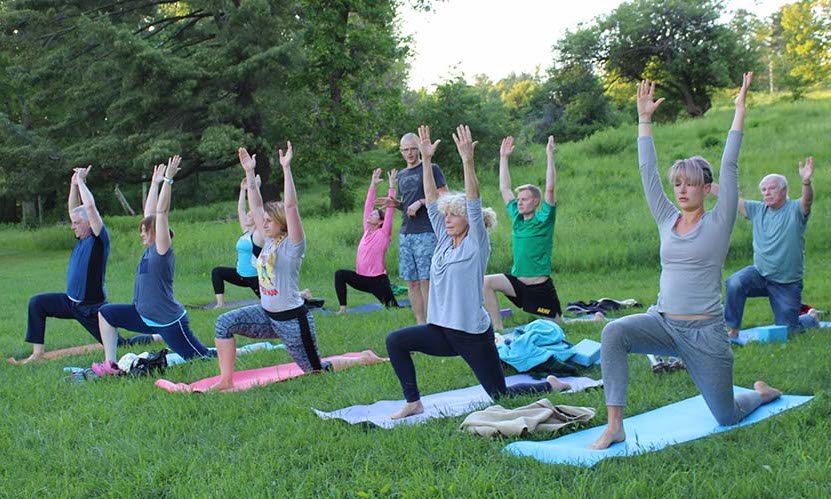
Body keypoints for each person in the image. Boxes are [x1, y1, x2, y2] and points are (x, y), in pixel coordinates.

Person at [590, 75, 782, 450]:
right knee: (614, 332)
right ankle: (615, 425)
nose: (681, 189)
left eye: (689, 183)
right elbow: (648, 174)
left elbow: (729, 165)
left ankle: (760, 394)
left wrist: (739, 113)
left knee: (726, 415)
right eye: (677, 182)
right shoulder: (666, 218)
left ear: (705, 189)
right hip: (663, 323)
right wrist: (644, 120)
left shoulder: (718, 220)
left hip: (706, 335)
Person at [385, 125, 571, 420]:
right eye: (446, 215)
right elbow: (432, 200)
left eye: (453, 215)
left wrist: (467, 160)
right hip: (442, 330)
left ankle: (548, 383)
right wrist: (425, 159)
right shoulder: (445, 240)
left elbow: (473, 200)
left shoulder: (475, 243)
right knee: (396, 340)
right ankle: (413, 401)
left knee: (501, 396)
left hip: (472, 335)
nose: (447, 219)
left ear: (469, 221)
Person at [210, 144, 385, 391]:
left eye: (270, 221)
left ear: (281, 223)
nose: (263, 222)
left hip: (293, 321)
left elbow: (291, 207)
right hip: (267, 316)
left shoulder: (293, 247)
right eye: (265, 221)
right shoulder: (267, 240)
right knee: (224, 323)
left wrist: (286, 168)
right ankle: (226, 381)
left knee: (316, 372)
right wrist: (250, 173)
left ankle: (364, 358)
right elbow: (257, 206)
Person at [10, 166, 154, 365]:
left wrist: (83, 184)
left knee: (120, 345)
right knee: (37, 303)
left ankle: (155, 336)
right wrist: (74, 184)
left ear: (88, 223)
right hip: (71, 302)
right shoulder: (82, 236)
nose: (72, 226)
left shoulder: (98, 239)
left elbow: (90, 209)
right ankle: (37, 354)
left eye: (76, 223)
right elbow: (73, 210)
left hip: (91, 308)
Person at [92, 156, 215, 375]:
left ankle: (252, 349)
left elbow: (160, 214)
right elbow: (149, 214)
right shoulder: (150, 250)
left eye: (144, 231)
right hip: (143, 315)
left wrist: (168, 181)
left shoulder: (162, 250)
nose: (141, 234)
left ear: (155, 232)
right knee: (106, 313)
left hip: (169, 321)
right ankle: (110, 365)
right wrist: (154, 183)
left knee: (200, 357)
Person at [721, 158, 818, 337]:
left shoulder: (795, 210)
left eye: (771, 188)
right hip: (760, 275)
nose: (767, 193)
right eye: (764, 190)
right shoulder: (758, 210)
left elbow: (808, 200)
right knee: (735, 282)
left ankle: (810, 318)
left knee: (788, 331)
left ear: (784, 190)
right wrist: (705, 184)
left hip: (786, 283)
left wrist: (806, 181)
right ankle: (732, 330)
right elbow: (732, 199)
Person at [484, 135, 564, 331]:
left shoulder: (544, 219)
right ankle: (497, 329)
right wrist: (503, 157)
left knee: (557, 324)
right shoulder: (517, 219)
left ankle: (593, 319)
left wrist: (549, 156)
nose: (519, 202)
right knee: (485, 282)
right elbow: (504, 188)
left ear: (536, 202)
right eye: (519, 199)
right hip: (517, 285)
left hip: (539, 289)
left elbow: (550, 189)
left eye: (525, 199)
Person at [387, 132, 448, 324]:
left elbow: (444, 195)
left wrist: (421, 202)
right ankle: (421, 324)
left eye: (413, 149)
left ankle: (434, 322)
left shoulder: (431, 168)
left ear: (419, 149)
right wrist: (396, 204)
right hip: (406, 234)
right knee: (411, 282)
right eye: (406, 150)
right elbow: (407, 205)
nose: (410, 153)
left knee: (426, 280)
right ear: (401, 151)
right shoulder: (403, 175)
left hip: (427, 232)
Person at [334, 168, 399, 313]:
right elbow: (368, 206)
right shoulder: (367, 231)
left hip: (377, 280)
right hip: (361, 278)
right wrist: (373, 185)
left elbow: (390, 209)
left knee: (393, 308)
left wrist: (392, 187)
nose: (370, 215)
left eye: (374, 214)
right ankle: (343, 309)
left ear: (381, 221)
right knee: (340, 274)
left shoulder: (384, 232)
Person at [210, 176, 263, 308]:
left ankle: (302, 294)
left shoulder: (258, 236)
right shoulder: (245, 231)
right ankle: (220, 304)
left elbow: (258, 209)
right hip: (240, 274)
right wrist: (242, 190)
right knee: (217, 271)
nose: (247, 216)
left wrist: (255, 188)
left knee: (273, 302)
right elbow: (240, 210)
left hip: (254, 277)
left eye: (251, 216)